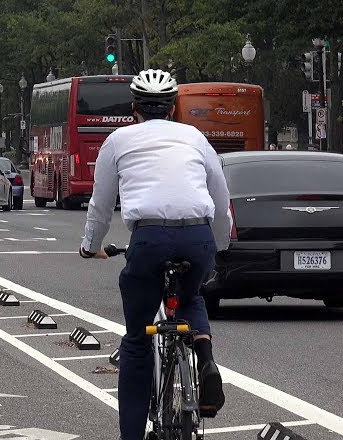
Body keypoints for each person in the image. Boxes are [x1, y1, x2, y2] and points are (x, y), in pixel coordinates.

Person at [78, 68, 231, 440]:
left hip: (148, 238)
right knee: (192, 295)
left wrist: (90, 245)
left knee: (136, 340)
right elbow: (220, 196)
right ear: (175, 107)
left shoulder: (118, 140)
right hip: (198, 234)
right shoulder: (194, 136)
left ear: (134, 109)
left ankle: (131, 435)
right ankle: (206, 361)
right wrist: (220, 243)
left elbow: (100, 205)